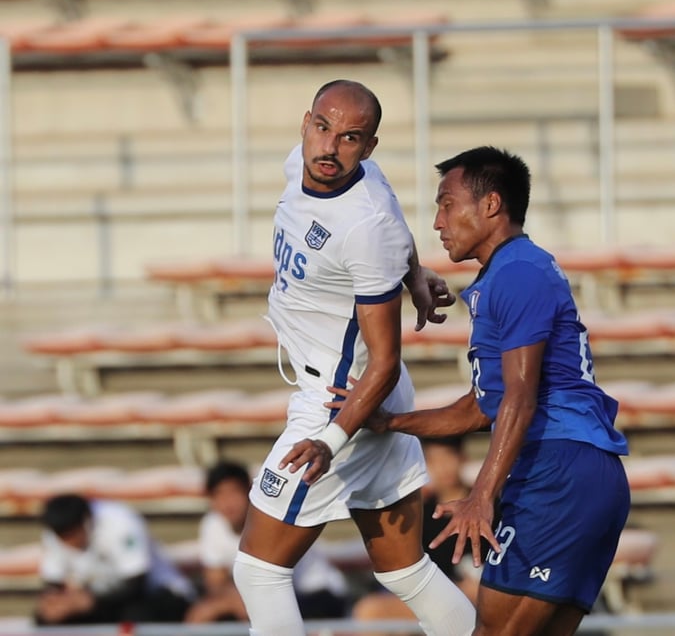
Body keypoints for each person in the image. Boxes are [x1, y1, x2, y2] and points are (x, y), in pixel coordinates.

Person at [233, 79, 476, 636]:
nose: (329, 147)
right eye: (322, 127)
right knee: (406, 572)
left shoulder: (364, 227)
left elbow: (385, 360)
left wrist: (332, 437)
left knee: (258, 569)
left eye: (349, 138)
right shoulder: (309, 164)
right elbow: (392, 215)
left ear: (368, 147)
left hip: (344, 400)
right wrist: (414, 272)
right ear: (305, 122)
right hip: (358, 395)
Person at [357, 146, 631, 635]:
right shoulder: (505, 274)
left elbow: (520, 398)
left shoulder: (519, 273)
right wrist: (391, 423)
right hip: (576, 472)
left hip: (557, 471)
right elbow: (480, 408)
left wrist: (482, 494)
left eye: (447, 203)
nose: (439, 221)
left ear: (491, 205)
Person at [186, 461, 350, 624]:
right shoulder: (213, 524)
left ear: (249, 491)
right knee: (203, 614)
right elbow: (216, 583)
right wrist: (227, 601)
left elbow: (272, 582)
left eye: (233, 492)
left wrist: (233, 602)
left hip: (317, 594)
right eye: (219, 494)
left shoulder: (269, 519)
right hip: (271, 593)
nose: (228, 502)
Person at [352, 436, 485, 628]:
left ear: (462, 457)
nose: (443, 467)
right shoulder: (421, 514)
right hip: (432, 593)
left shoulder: (488, 508)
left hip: (480, 594)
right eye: (434, 460)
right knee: (369, 610)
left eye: (448, 457)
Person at [35, 493, 194, 626]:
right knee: (47, 618)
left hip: (159, 594)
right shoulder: (54, 534)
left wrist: (89, 600)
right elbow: (53, 581)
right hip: (101, 601)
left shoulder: (120, 522)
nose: (69, 544)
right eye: (63, 538)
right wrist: (55, 601)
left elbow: (136, 584)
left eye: (72, 535)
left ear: (86, 520)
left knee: (134, 616)